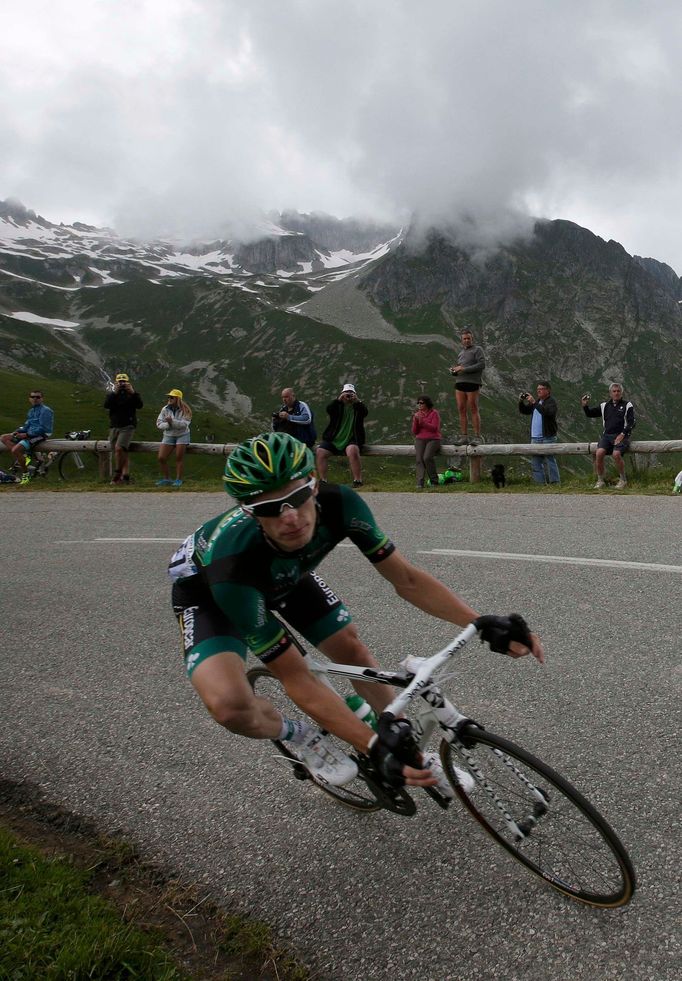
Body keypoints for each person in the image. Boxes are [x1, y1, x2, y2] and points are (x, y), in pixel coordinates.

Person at [168, 431, 544, 794]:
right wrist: (372, 748)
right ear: (249, 512)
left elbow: (407, 580)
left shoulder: (341, 504)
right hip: (214, 593)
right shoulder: (230, 565)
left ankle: (410, 750)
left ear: (313, 484)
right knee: (229, 706)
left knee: (352, 651)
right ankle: (301, 736)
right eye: (269, 508)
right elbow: (296, 679)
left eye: (298, 497)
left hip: (287, 573)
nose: (291, 518)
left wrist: (479, 623)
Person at [582, 384, 635, 490]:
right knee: (599, 453)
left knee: (616, 454)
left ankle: (623, 480)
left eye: (618, 391)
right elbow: (590, 414)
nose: (616, 393)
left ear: (621, 393)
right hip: (607, 436)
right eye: (614, 391)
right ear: (610, 393)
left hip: (622, 435)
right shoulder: (604, 406)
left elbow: (632, 422)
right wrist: (585, 406)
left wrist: (622, 434)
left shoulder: (627, 405)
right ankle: (600, 480)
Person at [316, 383, 368, 487]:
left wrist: (357, 401)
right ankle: (323, 480)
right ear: (342, 394)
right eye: (346, 394)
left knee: (353, 451)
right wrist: (339, 400)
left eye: (351, 394)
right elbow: (329, 409)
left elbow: (365, 412)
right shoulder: (337, 406)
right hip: (334, 438)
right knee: (320, 452)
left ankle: (358, 480)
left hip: (352, 438)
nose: (348, 397)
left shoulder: (358, 407)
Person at [1, 389, 54, 485]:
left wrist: (27, 434)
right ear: (29, 399)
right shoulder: (31, 411)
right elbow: (27, 425)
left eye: (38, 397)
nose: (35, 399)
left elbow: (44, 428)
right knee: (4, 437)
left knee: (15, 450)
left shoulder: (46, 411)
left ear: (42, 399)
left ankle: (26, 473)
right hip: (29, 433)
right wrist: (16, 432)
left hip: (41, 435)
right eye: (33, 397)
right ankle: (24, 456)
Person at [104, 373, 143, 485]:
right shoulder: (112, 395)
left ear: (128, 382)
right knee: (121, 451)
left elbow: (140, 405)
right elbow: (106, 405)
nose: (122, 384)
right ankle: (125, 476)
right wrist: (114, 393)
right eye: (120, 382)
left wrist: (133, 393)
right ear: (116, 382)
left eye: (124, 382)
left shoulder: (132, 394)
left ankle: (117, 474)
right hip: (114, 426)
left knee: (119, 448)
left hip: (128, 426)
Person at [518, 382, 560, 485]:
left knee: (550, 461)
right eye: (537, 389)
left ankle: (555, 483)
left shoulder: (551, 402)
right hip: (535, 437)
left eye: (541, 389)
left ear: (548, 390)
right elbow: (525, 411)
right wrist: (521, 402)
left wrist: (534, 403)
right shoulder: (537, 402)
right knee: (536, 462)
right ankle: (540, 484)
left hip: (547, 436)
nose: (538, 391)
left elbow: (548, 413)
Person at [450, 327, 485, 444]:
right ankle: (464, 437)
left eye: (468, 338)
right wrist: (454, 371)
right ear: (461, 340)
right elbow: (461, 368)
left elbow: (481, 365)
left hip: (473, 382)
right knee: (461, 409)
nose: (466, 340)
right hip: (460, 382)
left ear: (472, 339)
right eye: (464, 339)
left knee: (473, 409)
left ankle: (477, 437)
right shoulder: (461, 353)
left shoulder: (478, 349)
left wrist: (463, 369)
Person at [156, 389, 192, 487]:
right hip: (168, 435)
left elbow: (184, 424)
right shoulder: (165, 409)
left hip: (182, 435)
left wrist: (172, 422)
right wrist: (168, 424)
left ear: (177, 399)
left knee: (179, 458)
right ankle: (167, 478)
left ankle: (178, 479)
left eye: (172, 397)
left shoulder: (186, 410)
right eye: (169, 397)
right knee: (161, 457)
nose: (169, 399)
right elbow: (159, 423)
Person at [411, 395, 442, 488]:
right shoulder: (417, 414)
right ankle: (420, 482)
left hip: (433, 439)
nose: (419, 405)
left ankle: (434, 481)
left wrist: (423, 422)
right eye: (418, 403)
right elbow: (414, 431)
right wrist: (416, 421)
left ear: (427, 403)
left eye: (421, 403)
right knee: (419, 459)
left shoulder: (434, 413)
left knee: (427, 457)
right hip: (420, 439)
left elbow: (434, 428)